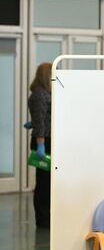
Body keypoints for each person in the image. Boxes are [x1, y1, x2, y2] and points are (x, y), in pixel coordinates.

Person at [28, 62, 52, 228]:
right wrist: (41, 145)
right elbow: (40, 121)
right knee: (43, 182)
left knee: (48, 181)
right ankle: (43, 219)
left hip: (48, 139)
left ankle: (47, 215)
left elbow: (43, 117)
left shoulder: (45, 93)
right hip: (44, 141)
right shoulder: (39, 94)